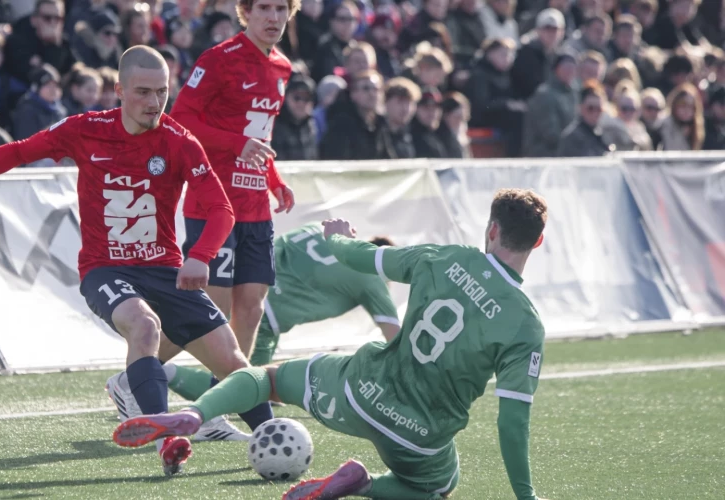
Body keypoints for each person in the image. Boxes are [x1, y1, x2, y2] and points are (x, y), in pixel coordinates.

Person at [0, 46, 275, 476]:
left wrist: (200, 257)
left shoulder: (179, 141)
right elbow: (21, 151)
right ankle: (168, 440)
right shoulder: (85, 130)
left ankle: (273, 436)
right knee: (145, 325)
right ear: (118, 91)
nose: (154, 103)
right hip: (105, 269)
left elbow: (221, 209)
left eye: (162, 92)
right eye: (143, 92)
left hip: (167, 270)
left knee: (234, 364)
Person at [114, 188, 550, 500]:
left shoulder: (444, 257)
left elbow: (359, 256)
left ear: (491, 229)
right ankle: (361, 483)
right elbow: (512, 424)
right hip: (421, 436)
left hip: (359, 390)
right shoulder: (526, 326)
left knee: (265, 379)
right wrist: (526, 496)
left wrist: (337, 234)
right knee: (437, 487)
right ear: (538, 242)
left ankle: (194, 413)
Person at [170, 0, 298, 371]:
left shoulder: (282, 67)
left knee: (252, 308)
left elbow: (260, 132)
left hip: (256, 205)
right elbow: (181, 120)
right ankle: (135, 376)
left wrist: (273, 179)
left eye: (281, 8)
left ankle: (225, 395)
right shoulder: (218, 59)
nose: (273, 17)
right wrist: (235, 144)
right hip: (214, 203)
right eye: (264, 8)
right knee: (211, 312)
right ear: (246, 11)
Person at [164, 223, 400, 401]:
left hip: (240, 286)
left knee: (236, 372)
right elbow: (395, 340)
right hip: (262, 317)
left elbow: (276, 245)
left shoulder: (316, 228)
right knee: (247, 389)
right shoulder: (372, 277)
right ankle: (162, 373)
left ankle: (150, 368)